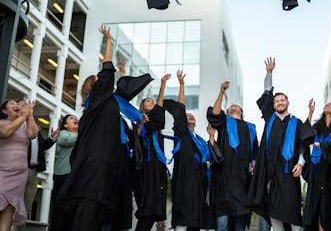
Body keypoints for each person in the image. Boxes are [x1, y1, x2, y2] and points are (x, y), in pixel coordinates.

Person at [57, 25, 132, 231]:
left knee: (98, 216)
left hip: (102, 166)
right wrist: (108, 40)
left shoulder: (102, 104)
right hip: (96, 168)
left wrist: (123, 72)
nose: (105, 81)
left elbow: (121, 93)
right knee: (87, 216)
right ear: (96, 86)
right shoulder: (98, 99)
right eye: (100, 80)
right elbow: (107, 68)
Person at [247, 57, 314, 231]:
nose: (279, 102)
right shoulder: (270, 118)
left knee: (293, 216)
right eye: (277, 101)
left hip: (289, 173)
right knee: (275, 216)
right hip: (271, 173)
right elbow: (267, 93)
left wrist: (301, 163)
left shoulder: (296, 122)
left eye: (282, 100)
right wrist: (269, 73)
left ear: (288, 102)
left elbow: (303, 145)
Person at [166, 70, 214, 231]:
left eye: (192, 116)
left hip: (199, 183)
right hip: (184, 178)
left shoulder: (200, 140)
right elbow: (180, 109)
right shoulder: (182, 133)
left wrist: (211, 136)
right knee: (183, 218)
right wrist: (182, 85)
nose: (190, 116)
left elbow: (211, 156)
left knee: (195, 221)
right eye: (187, 116)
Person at [207, 81, 258, 231]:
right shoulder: (223, 122)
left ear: (241, 112)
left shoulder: (251, 128)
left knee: (239, 227)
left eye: (236, 106)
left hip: (242, 182)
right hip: (223, 180)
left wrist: (254, 162)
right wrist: (221, 92)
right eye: (230, 106)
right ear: (227, 111)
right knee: (222, 225)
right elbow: (215, 114)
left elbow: (256, 151)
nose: (234, 106)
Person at [303, 98, 331, 231]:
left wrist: (323, 145)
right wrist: (310, 112)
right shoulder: (318, 127)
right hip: (319, 169)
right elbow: (306, 136)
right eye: (326, 104)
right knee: (318, 204)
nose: (327, 105)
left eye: (330, 105)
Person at [134, 73, 171, 231]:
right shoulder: (140, 119)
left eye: (152, 100)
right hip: (146, 167)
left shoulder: (155, 122)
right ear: (143, 107)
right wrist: (141, 125)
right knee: (147, 208)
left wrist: (163, 85)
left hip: (157, 168)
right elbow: (138, 139)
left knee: (153, 210)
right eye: (148, 101)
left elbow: (160, 108)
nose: (152, 102)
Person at [0, 99, 37, 230]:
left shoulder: (24, 124)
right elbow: (6, 132)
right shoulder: (1, 123)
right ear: (4, 111)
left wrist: (29, 113)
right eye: (11, 104)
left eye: (17, 104)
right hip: (2, 173)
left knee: (9, 209)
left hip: (19, 176)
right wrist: (23, 115)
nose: (16, 105)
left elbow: (33, 134)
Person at [18, 124, 59, 227]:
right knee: (14, 202)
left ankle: (20, 227)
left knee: (27, 206)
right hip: (21, 168)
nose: (36, 125)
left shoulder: (37, 133)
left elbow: (43, 146)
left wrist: (52, 138)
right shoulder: (21, 130)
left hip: (33, 171)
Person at [49, 114, 78, 231]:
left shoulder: (81, 135)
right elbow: (69, 140)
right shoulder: (63, 134)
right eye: (71, 118)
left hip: (76, 177)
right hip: (63, 176)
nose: (75, 119)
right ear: (66, 125)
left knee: (72, 212)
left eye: (76, 118)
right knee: (60, 210)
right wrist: (84, 131)